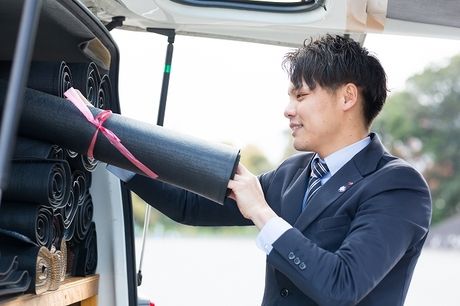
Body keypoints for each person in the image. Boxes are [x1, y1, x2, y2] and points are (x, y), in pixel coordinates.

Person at [108, 35, 432, 306]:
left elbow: (341, 286)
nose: (288, 110)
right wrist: (110, 152)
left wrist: (262, 213)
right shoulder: (292, 173)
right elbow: (188, 205)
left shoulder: (398, 186)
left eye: (301, 95)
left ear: (348, 97)